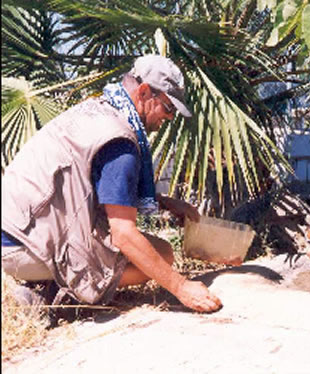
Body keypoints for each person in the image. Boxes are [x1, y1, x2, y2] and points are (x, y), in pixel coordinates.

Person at [1, 55, 222, 313]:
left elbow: (98, 191)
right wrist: (182, 287)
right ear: (144, 91)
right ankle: (62, 294)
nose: (169, 118)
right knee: (162, 253)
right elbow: (124, 235)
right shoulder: (120, 143)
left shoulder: (98, 110)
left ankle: (44, 284)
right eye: (168, 108)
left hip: (14, 233)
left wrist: (164, 203)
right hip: (22, 249)